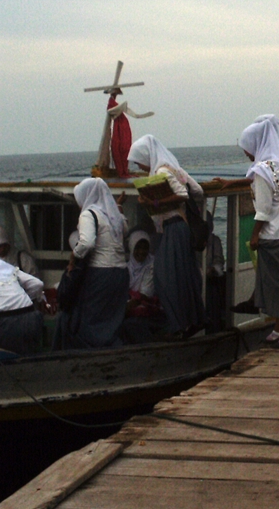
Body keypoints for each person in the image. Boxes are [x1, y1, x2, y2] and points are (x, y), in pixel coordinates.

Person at [128, 134, 206, 338]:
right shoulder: (174, 168)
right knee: (183, 276)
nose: (139, 167)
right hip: (178, 227)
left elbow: (183, 194)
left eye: (139, 162)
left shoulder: (162, 172)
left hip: (174, 227)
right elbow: (197, 190)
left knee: (165, 278)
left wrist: (155, 203)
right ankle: (191, 321)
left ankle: (178, 324)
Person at [239, 118, 279, 348]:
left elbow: (263, 210)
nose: (246, 153)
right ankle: (278, 328)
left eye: (247, 148)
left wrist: (254, 235)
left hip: (272, 236)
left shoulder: (261, 172)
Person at [52, 177, 130, 349]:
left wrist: (74, 256)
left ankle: (93, 353)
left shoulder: (88, 214)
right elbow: (125, 230)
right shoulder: (114, 215)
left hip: (101, 273)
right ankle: (114, 349)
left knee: (92, 319)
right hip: (121, 273)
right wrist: (118, 206)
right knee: (112, 318)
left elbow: (87, 243)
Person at [121, 231, 169, 343]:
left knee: (130, 325)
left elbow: (145, 294)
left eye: (145, 248)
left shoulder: (152, 265)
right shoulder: (127, 267)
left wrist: (122, 310)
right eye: (138, 248)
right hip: (132, 309)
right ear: (132, 247)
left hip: (150, 312)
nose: (141, 251)